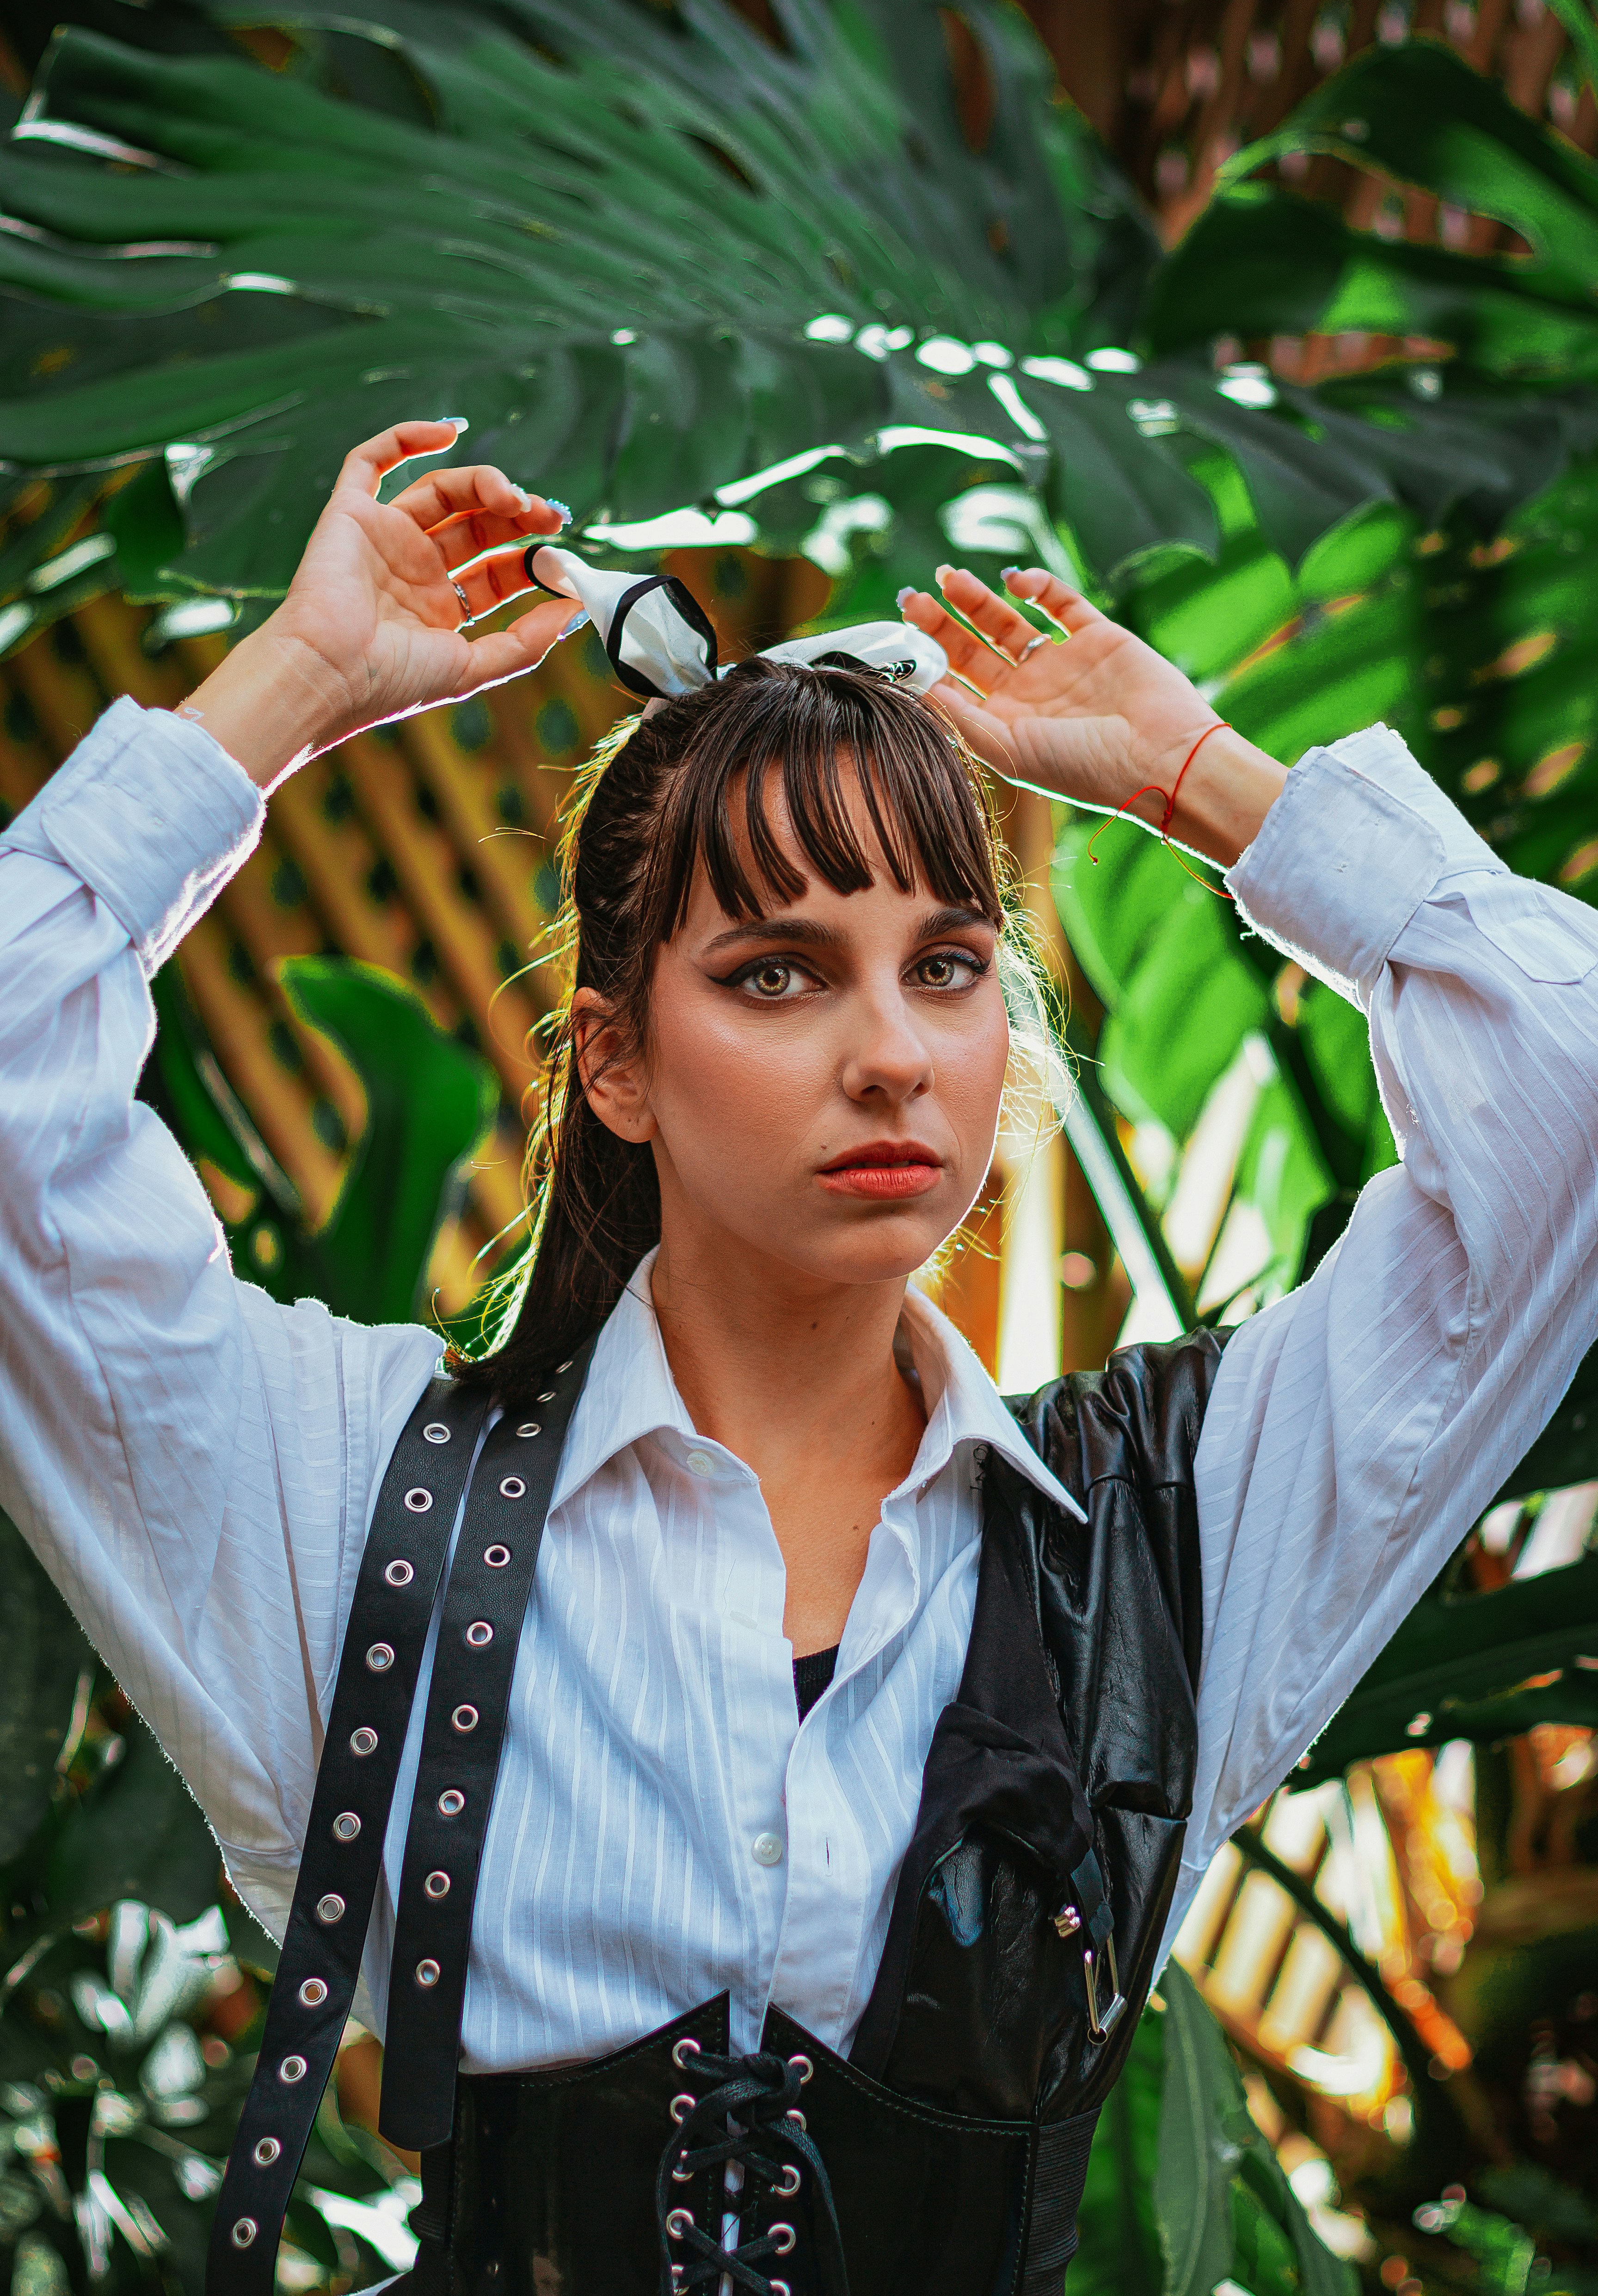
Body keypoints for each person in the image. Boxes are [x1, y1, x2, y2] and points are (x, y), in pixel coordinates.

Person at [1, 418, 1595, 2296]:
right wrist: (297, 684)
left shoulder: (1167, 1534)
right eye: (776, 971)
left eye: (944, 965)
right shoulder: (361, 1505)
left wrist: (1199, 779)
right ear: (612, 1060)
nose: (893, 1052)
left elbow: (1565, 1108)